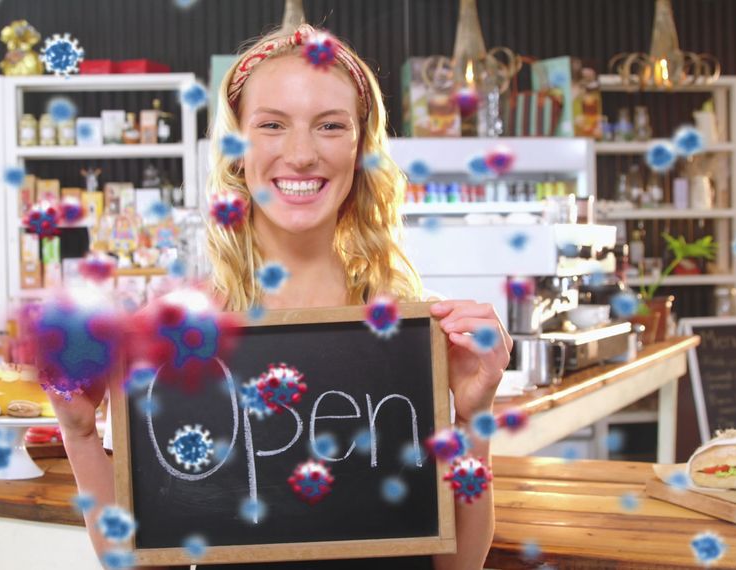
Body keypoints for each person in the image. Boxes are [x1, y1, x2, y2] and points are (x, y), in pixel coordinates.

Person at [51, 24, 511, 570]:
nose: (301, 154)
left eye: (330, 126)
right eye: (272, 125)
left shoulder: (416, 334)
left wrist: (472, 419)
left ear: (361, 148)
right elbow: (138, 561)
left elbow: (458, 565)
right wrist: (80, 435)